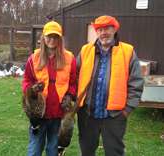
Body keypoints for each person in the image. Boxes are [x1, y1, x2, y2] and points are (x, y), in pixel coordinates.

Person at [76, 15, 144, 156]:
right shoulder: (85, 51)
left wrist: (127, 110)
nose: (103, 33)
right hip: (88, 114)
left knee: (115, 152)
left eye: (107, 28)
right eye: (100, 30)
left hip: (115, 115)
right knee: (86, 151)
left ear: (114, 29)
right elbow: (74, 77)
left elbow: (136, 83)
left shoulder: (128, 52)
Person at [22, 21, 77, 156]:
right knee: (34, 149)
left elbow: (74, 83)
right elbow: (26, 81)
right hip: (38, 115)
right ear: (43, 37)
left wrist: (69, 95)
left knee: (53, 149)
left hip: (58, 114)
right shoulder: (33, 58)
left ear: (60, 38)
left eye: (56, 36)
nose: (52, 40)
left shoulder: (69, 58)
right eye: (49, 36)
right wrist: (31, 90)